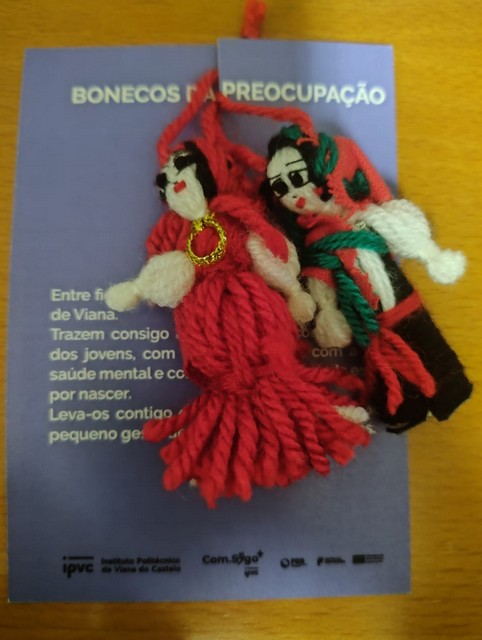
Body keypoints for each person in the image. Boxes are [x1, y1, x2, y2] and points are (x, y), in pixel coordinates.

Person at [104, 94, 371, 507]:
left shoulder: (236, 217)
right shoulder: (177, 236)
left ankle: (294, 427)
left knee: (274, 371)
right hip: (207, 324)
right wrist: (141, 287)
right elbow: (176, 271)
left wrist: (292, 290)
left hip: (254, 308)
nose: (177, 184)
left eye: (184, 172)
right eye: (169, 180)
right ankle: (233, 446)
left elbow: (263, 252)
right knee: (230, 384)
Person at [263, 124, 472, 431]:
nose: (293, 193)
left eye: (297, 178)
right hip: (369, 324)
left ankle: (450, 391)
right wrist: (328, 312)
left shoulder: (364, 217)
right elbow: (320, 278)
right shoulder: (315, 244)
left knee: (428, 343)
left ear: (326, 173)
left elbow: (398, 228)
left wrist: (431, 255)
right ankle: (407, 408)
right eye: (281, 187)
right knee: (388, 365)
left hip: (403, 304)